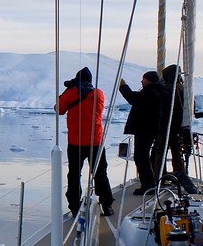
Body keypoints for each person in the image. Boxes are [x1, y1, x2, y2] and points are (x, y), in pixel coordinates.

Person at [57, 67, 115, 216]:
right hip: (95, 141)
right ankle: (107, 204)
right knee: (100, 172)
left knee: (74, 174)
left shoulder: (72, 92)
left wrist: (65, 93)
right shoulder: (99, 93)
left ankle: (75, 206)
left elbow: (59, 109)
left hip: (76, 142)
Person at [154, 64, 199, 194]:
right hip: (180, 128)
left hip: (166, 127)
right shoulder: (185, 90)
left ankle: (159, 177)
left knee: (160, 152)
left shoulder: (167, 90)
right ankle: (180, 176)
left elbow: (163, 109)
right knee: (177, 154)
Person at [119, 71, 164, 194]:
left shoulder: (151, 92)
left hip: (145, 130)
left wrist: (123, 86)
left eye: (143, 79)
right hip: (147, 129)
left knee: (141, 156)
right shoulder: (154, 91)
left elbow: (132, 98)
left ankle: (148, 185)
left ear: (149, 80)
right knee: (142, 156)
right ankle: (149, 183)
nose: (141, 81)